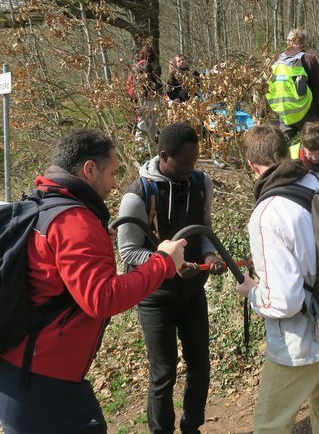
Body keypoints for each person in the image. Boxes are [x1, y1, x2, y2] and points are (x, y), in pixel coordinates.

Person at [0, 130, 186, 434]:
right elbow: (102, 299)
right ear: (89, 169)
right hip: (42, 380)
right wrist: (163, 262)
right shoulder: (74, 222)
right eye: (112, 172)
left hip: (26, 373)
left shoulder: (46, 202)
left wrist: (96, 236)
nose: (114, 183)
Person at [235, 125, 319, 434]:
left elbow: (284, 301)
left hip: (305, 339)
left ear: (252, 166)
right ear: (287, 151)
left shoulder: (267, 213)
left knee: (271, 423)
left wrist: (252, 291)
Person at [117, 122, 224, 434]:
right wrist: (168, 265)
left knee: (200, 367)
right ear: (164, 156)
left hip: (192, 292)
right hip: (155, 298)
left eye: (195, 161)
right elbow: (128, 251)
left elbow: (204, 229)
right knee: (163, 373)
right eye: (185, 163)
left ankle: (192, 426)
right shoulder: (138, 196)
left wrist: (209, 256)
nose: (192, 169)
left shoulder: (201, 183)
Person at [267, 28, 319, 140]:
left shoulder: (276, 60)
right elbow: (317, 89)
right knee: (317, 145)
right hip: (305, 113)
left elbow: (265, 88)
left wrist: (260, 115)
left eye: (292, 41)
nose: (289, 43)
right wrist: (318, 114)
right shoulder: (309, 60)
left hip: (284, 114)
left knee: (280, 148)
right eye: (289, 41)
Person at [129, 45, 163, 143]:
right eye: (151, 53)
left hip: (143, 98)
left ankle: (147, 147)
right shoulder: (144, 64)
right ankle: (141, 148)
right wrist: (156, 85)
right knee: (145, 123)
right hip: (145, 98)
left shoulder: (139, 65)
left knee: (148, 123)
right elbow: (148, 83)